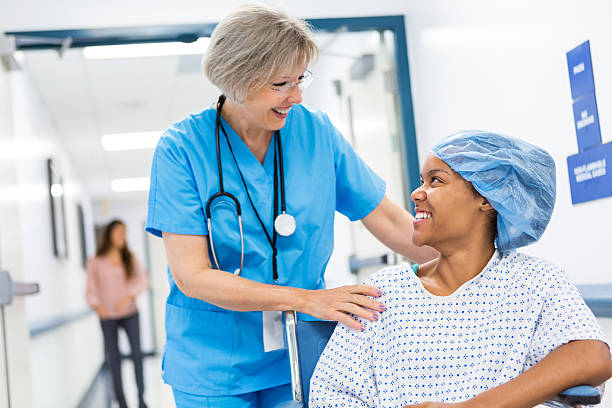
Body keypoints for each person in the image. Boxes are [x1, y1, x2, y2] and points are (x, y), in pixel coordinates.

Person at [145, 3, 436, 407]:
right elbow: (193, 275)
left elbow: (385, 217)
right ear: (239, 80)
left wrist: (469, 257)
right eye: (282, 84)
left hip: (301, 349)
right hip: (213, 363)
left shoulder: (315, 132)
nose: (297, 96)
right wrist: (305, 299)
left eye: (301, 79)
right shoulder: (182, 150)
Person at [310, 130, 612, 408]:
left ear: (486, 198)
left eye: (436, 181)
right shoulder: (381, 292)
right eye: (421, 181)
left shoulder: (535, 282)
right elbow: (332, 393)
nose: (417, 193)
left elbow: (592, 356)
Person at [86, 219, 149, 408]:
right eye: (119, 232)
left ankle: (141, 400)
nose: (123, 236)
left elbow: (143, 281)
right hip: (107, 318)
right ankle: (122, 403)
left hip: (130, 314)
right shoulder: (96, 262)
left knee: (137, 356)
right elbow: (90, 289)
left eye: (125, 232)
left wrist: (129, 296)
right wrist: (98, 306)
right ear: (109, 235)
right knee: (114, 360)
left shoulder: (130, 257)